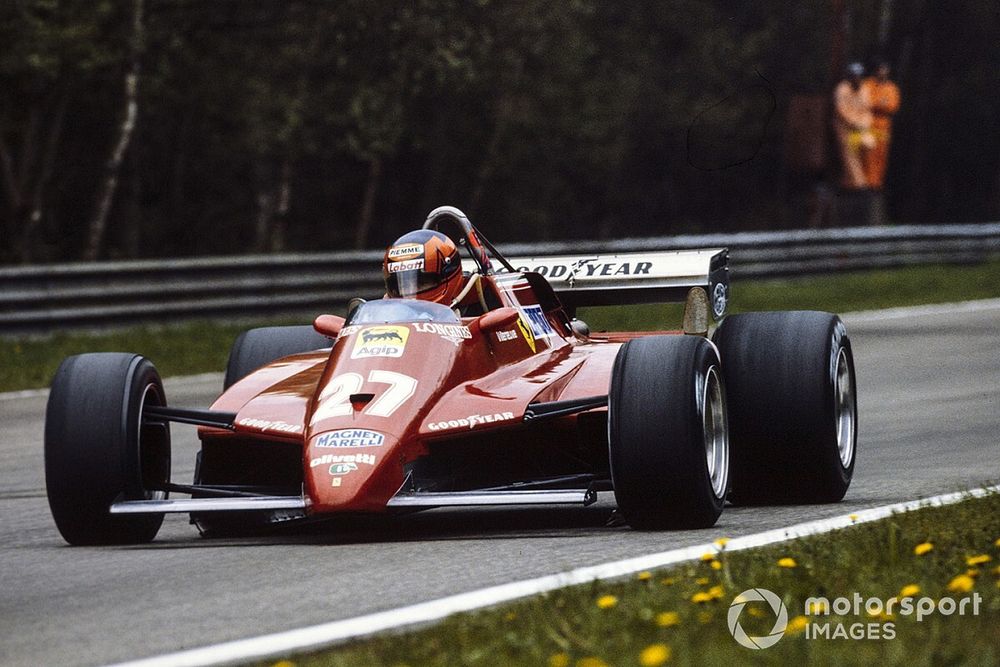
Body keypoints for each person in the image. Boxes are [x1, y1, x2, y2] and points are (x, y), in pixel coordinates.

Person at [382, 229, 464, 305]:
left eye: (422, 283)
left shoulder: (474, 317)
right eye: (404, 286)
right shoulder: (386, 317)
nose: (411, 292)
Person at [832, 62, 874, 190]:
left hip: (861, 126)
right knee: (850, 154)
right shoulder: (842, 89)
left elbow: (867, 109)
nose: (857, 78)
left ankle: (852, 181)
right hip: (845, 126)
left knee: (869, 145)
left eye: (859, 75)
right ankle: (858, 184)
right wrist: (854, 123)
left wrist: (865, 123)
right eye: (854, 75)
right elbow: (841, 110)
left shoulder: (865, 89)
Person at [861, 60, 901, 190]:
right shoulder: (867, 84)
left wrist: (878, 104)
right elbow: (866, 102)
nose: (882, 72)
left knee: (881, 154)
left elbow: (893, 106)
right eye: (880, 69)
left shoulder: (892, 88)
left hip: (884, 127)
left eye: (884, 70)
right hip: (868, 124)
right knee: (867, 153)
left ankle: (877, 183)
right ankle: (865, 182)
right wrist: (881, 103)